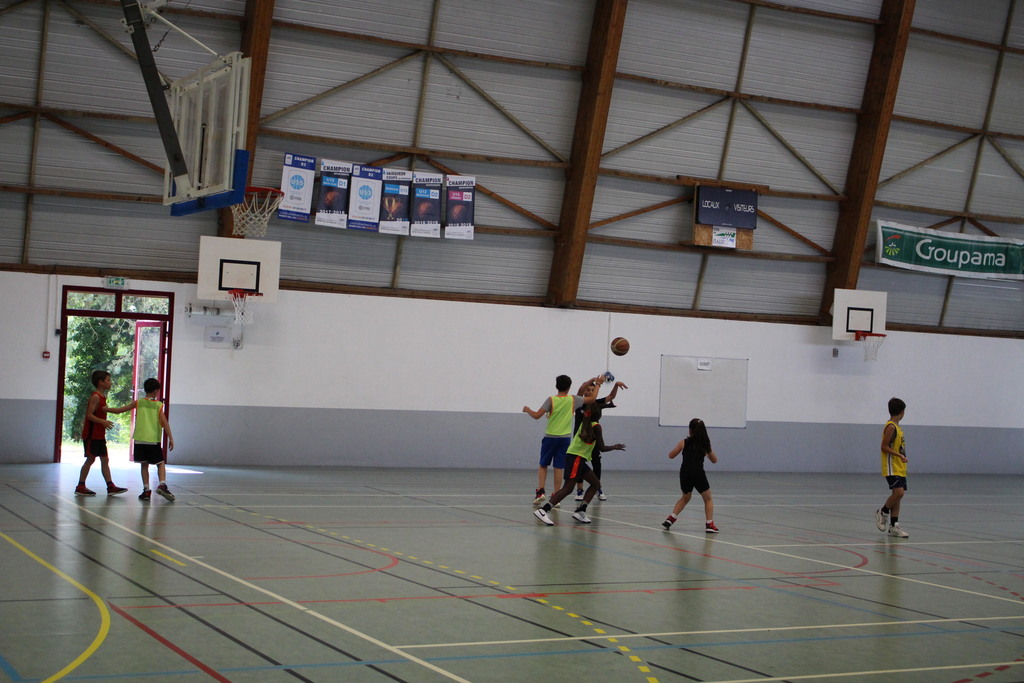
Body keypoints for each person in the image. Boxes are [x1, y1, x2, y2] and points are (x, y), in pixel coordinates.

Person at [533, 403, 625, 526]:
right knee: (568, 488)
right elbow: (601, 448)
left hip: (576, 458)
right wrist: (615, 447)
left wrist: (606, 406)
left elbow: (594, 408)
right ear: (599, 415)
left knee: (595, 483)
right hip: (576, 458)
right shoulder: (596, 426)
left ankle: (581, 511)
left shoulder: (585, 422)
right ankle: (543, 510)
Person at [523, 375, 602, 505]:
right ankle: (556, 494)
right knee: (558, 466)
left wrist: (527, 410)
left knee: (543, 464)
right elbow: (592, 398)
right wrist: (598, 384)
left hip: (550, 437)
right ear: (569, 387)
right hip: (565, 438)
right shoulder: (573, 400)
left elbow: (537, 416)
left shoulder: (551, 400)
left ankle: (541, 491)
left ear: (556, 386)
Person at [76, 370, 131, 496]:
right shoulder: (95, 396)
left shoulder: (102, 397)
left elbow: (106, 411)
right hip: (92, 434)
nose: (110, 383)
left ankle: (110, 486)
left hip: (99, 434)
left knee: (105, 459)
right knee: (90, 459)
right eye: (108, 380)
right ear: (101, 382)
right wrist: (103, 422)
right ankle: (80, 485)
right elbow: (89, 415)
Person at [573, 376, 627, 502]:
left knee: (596, 463)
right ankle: (580, 490)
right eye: (588, 390)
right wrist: (594, 381)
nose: (590, 392)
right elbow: (580, 390)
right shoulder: (578, 403)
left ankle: (597, 487)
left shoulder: (596, 403)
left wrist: (616, 385)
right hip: (580, 440)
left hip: (593, 439)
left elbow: (611, 396)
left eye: (592, 390)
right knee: (579, 464)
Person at [661, 418, 719, 533]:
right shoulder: (704, 445)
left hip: (685, 473)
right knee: (708, 499)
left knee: (685, 497)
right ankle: (709, 524)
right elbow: (714, 460)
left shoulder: (683, 442)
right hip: (698, 473)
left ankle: (671, 518)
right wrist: (707, 451)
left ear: (690, 430)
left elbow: (671, 455)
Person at [127, 378, 176, 502]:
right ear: (156, 391)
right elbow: (165, 423)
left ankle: (146, 490)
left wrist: (106, 409)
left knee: (144, 465)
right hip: (153, 440)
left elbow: (120, 410)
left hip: (139, 440)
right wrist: (171, 438)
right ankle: (162, 484)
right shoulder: (157, 405)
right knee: (160, 463)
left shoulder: (139, 402)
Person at [875, 397, 909, 538]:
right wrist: (898, 455)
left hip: (899, 467)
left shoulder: (898, 428)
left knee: (898, 496)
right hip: (891, 466)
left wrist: (902, 457)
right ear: (902, 412)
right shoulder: (891, 427)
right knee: (899, 493)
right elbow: (884, 447)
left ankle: (894, 526)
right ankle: (883, 511)